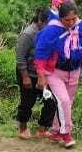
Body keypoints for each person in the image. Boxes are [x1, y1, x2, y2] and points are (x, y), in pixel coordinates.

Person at [34, 0, 82, 149]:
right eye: (67, 20)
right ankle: (66, 134)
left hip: (74, 71)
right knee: (64, 101)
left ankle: (56, 131)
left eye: (74, 19)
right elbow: (41, 53)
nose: (71, 23)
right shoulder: (51, 31)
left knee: (67, 103)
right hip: (55, 72)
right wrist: (41, 76)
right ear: (61, 18)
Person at [14, 8, 57, 140]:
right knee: (27, 102)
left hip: (44, 73)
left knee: (51, 101)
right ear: (40, 21)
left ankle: (42, 129)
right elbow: (20, 57)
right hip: (28, 73)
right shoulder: (28, 34)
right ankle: (23, 128)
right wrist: (25, 77)